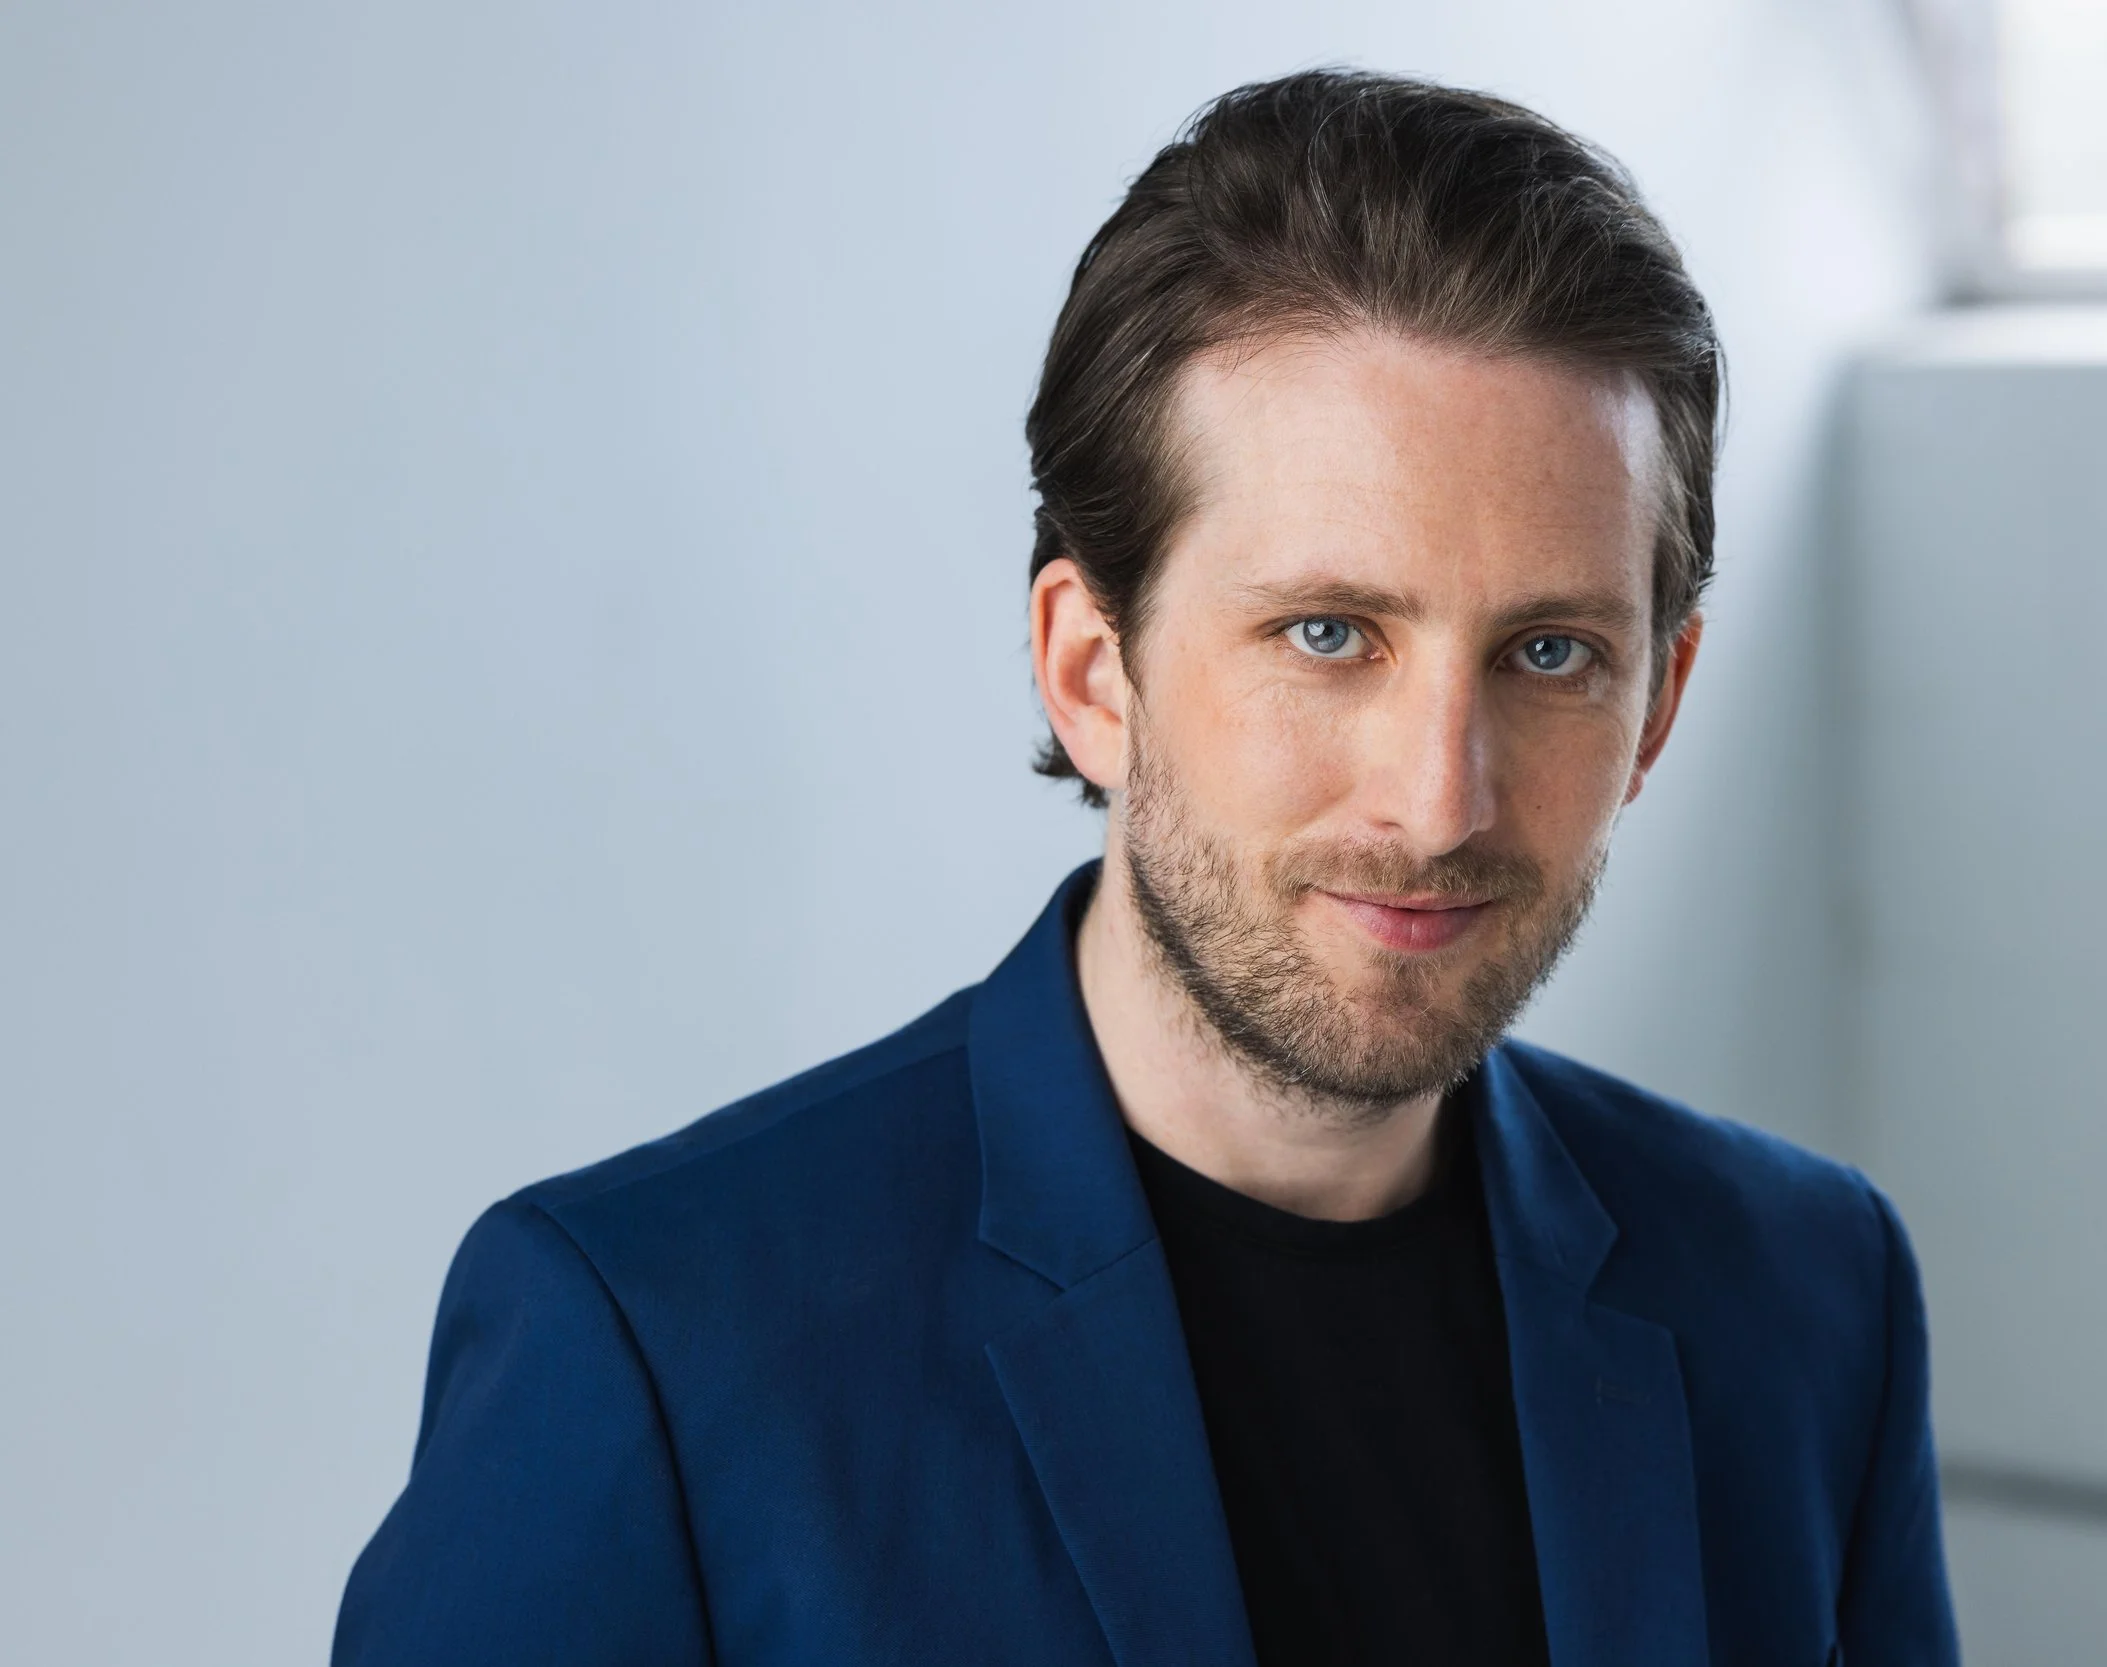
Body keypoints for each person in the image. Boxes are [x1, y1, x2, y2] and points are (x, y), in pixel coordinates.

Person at [335, 69, 1956, 1667]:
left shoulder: (1810, 1299)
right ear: (1090, 670)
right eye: (1329, 634)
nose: (1440, 796)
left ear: (1657, 702)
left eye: (1547, 652)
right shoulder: (654, 1350)